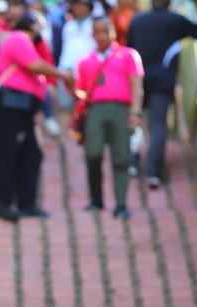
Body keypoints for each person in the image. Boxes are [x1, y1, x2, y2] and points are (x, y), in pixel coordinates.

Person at [127, 0, 197, 189]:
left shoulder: (137, 21)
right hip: (162, 81)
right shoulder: (175, 20)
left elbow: (129, 50)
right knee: (158, 124)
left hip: (138, 79)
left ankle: (131, 163)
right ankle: (153, 172)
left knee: (134, 119)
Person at [0, 14, 71, 220]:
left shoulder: (26, 42)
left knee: (31, 153)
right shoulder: (18, 39)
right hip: (9, 106)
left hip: (24, 108)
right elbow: (34, 65)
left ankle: (26, 202)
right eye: (40, 28)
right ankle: (2, 203)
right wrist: (62, 75)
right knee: (7, 154)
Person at [75, 17, 143, 219]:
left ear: (113, 31)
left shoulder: (128, 55)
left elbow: (136, 85)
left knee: (121, 157)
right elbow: (81, 92)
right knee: (93, 153)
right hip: (96, 109)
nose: (102, 36)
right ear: (93, 34)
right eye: (98, 32)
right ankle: (96, 199)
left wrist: (135, 111)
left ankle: (121, 204)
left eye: (106, 31)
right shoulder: (86, 61)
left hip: (121, 109)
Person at [57, 0, 96, 111]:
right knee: (65, 108)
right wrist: (66, 67)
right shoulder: (68, 26)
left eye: (83, 6)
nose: (80, 9)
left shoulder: (95, 24)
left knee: (88, 107)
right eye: (77, 5)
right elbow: (66, 50)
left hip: (89, 73)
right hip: (68, 72)